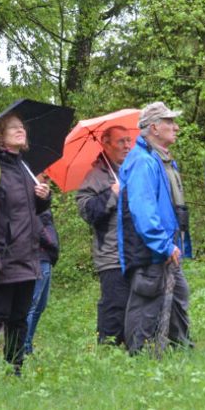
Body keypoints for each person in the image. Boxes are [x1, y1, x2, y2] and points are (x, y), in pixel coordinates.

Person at [0, 113, 52, 373]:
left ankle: (14, 368)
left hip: (28, 255)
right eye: (13, 128)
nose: (21, 130)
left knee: (19, 318)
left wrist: (43, 197)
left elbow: (33, 212)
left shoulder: (25, 167)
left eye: (22, 127)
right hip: (2, 255)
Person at [118, 102, 193, 354]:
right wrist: (162, 243)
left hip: (165, 245)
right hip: (150, 248)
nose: (176, 127)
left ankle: (180, 348)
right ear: (154, 128)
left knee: (179, 294)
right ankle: (138, 356)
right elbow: (143, 210)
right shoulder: (142, 161)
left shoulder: (161, 159)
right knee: (147, 298)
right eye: (170, 122)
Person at [77, 126, 134, 347]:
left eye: (129, 141)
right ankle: (108, 350)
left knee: (134, 303)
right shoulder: (95, 176)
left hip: (135, 251)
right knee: (114, 304)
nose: (127, 146)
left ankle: (133, 348)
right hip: (110, 253)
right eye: (121, 142)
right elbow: (88, 212)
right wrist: (112, 193)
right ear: (106, 143)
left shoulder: (132, 171)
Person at [24, 204, 59, 355]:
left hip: (47, 258)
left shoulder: (43, 200)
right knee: (32, 304)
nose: (47, 181)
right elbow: (38, 227)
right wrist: (52, 242)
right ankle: (23, 347)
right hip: (38, 257)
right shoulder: (31, 199)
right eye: (45, 178)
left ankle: (28, 344)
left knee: (40, 305)